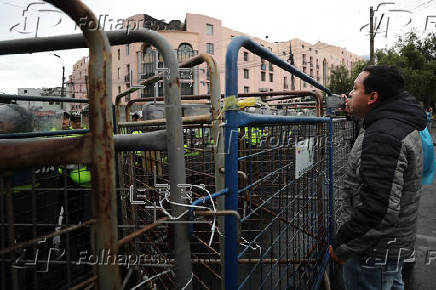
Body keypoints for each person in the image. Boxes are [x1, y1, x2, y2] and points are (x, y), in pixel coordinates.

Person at [329, 65, 427, 290]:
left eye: (355, 88)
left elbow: (378, 211)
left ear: (372, 97)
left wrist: (343, 244)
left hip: (371, 253)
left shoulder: (382, 136)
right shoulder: (395, 123)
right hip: (389, 249)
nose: (350, 93)